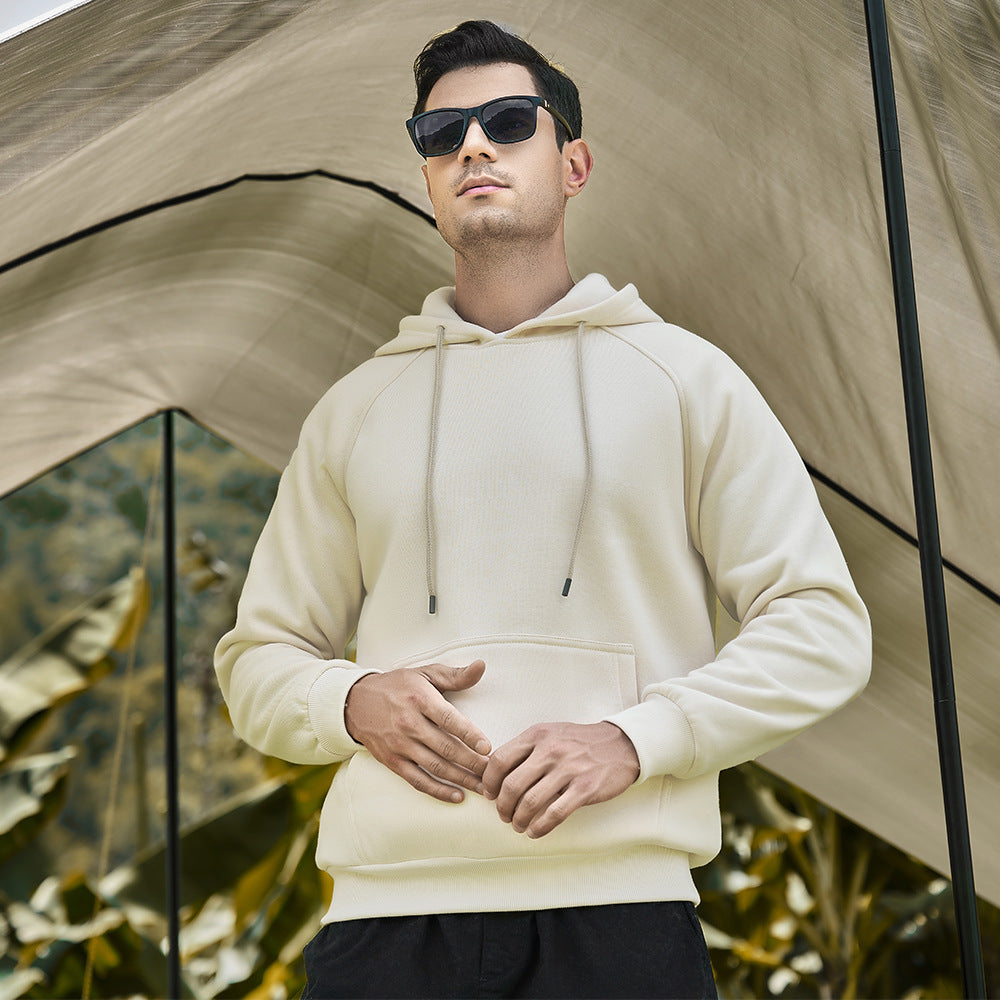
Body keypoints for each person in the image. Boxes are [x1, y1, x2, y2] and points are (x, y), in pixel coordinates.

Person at [214, 19, 871, 999]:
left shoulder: (687, 380)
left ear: (573, 163)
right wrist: (351, 700)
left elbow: (823, 627)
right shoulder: (353, 410)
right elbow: (256, 660)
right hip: (387, 923)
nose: (472, 146)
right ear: (427, 174)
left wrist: (635, 738)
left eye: (507, 122)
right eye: (441, 136)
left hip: (622, 924)